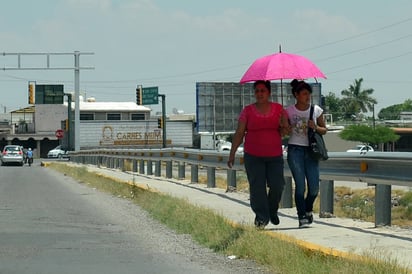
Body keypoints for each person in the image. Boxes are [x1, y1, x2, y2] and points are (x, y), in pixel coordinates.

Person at [227, 80, 289, 229]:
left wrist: (284, 125)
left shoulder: (279, 109)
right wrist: (232, 153)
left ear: (269, 93)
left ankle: (272, 209)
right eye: (257, 91)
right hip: (253, 155)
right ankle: (261, 217)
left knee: (277, 184)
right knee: (257, 187)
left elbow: (285, 132)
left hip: (274, 155)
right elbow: (240, 132)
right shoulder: (247, 111)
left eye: (263, 91)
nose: (260, 94)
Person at [285, 79, 327, 228]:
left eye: (308, 93)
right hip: (295, 150)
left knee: (314, 187)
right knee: (300, 186)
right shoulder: (289, 111)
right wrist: (286, 129)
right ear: (296, 95)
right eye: (304, 94)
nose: (307, 96)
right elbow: (282, 131)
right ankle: (301, 215)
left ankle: (308, 208)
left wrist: (314, 127)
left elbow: (325, 130)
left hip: (311, 150)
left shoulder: (316, 110)